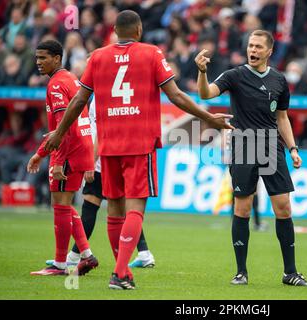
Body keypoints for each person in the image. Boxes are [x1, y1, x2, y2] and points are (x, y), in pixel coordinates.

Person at [44, 10, 233, 290]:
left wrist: (59, 133)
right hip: (139, 142)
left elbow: (79, 101)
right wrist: (209, 118)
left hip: (108, 144)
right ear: (140, 29)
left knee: (115, 209)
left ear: (116, 30)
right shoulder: (151, 53)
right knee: (135, 208)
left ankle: (122, 273)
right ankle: (120, 274)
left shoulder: (97, 56)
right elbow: (176, 95)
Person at [195, 29, 307, 287]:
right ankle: (241, 272)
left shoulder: (279, 81)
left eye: (259, 47)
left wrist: (292, 148)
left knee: (283, 207)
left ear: (270, 51)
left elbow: (282, 117)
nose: (253, 51)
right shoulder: (234, 75)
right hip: (243, 146)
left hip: (272, 147)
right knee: (243, 208)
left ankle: (290, 272)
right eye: (250, 46)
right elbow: (205, 94)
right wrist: (202, 72)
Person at [45, 95, 156, 269]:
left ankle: (75, 257)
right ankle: (144, 253)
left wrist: (91, 161)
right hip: (113, 158)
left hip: (102, 161)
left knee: (91, 207)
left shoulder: (101, 98)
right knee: (126, 209)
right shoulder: (110, 95)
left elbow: (100, 133)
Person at [27, 40, 98, 276]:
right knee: (65, 205)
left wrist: (55, 160)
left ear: (57, 58)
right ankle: (86, 256)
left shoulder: (56, 85)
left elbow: (62, 127)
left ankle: (59, 263)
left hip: (69, 150)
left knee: (59, 205)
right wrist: (40, 154)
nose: (39, 62)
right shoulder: (70, 78)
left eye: (44, 57)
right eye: (37, 58)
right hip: (80, 148)